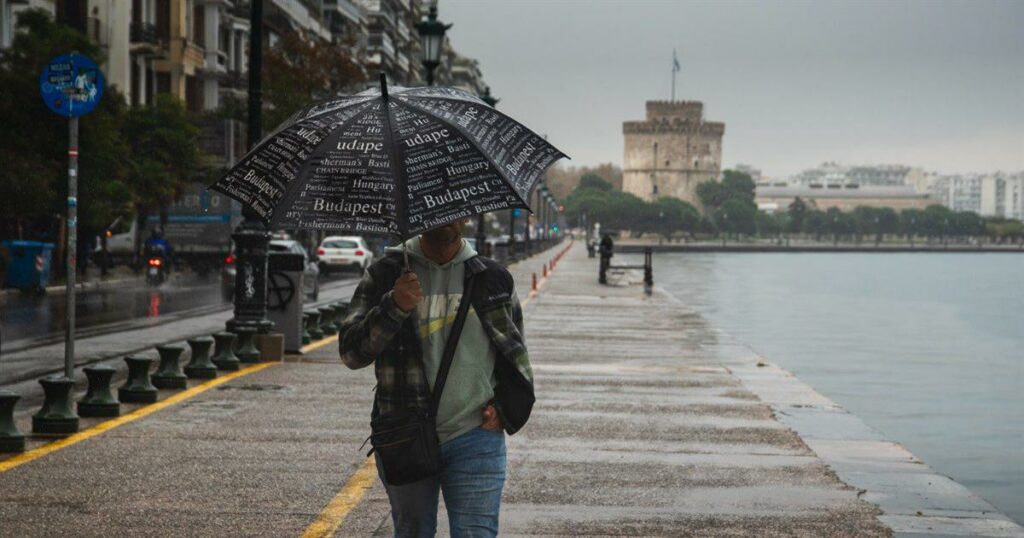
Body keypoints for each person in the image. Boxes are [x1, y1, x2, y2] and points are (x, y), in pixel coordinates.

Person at [339, 220, 534, 537]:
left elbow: (515, 355)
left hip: (475, 435)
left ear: (468, 217)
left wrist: (506, 407)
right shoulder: (385, 274)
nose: (446, 219)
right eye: (437, 214)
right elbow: (351, 353)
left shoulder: (492, 279)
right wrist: (394, 306)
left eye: (456, 212)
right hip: (404, 433)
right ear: (417, 215)